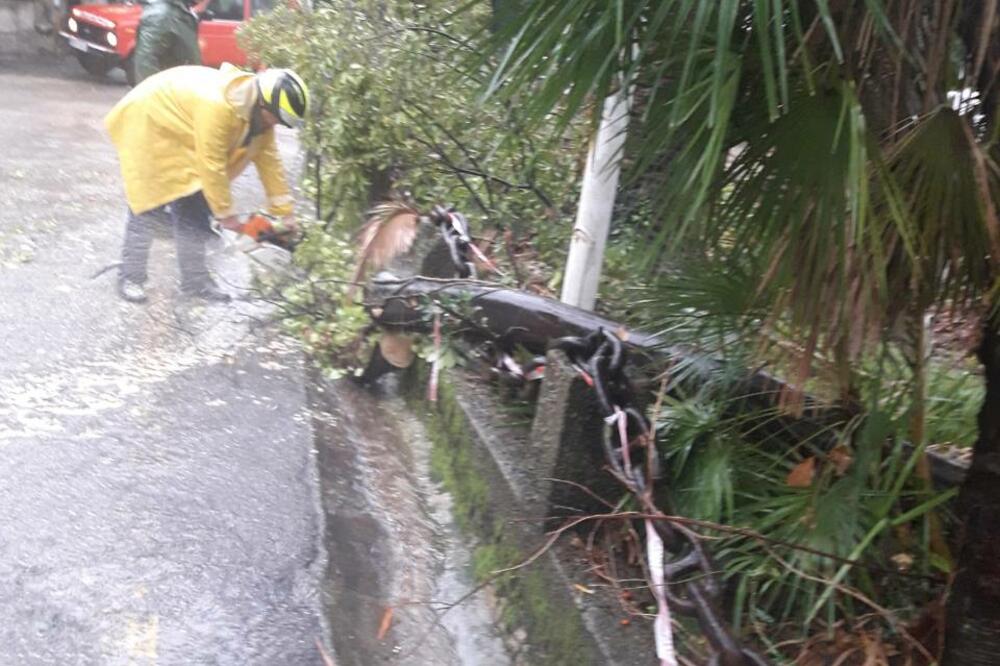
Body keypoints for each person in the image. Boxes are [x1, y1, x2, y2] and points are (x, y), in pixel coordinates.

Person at [105, 65, 308, 302]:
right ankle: (131, 276)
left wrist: (285, 215)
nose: (276, 125)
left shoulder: (260, 119)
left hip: (184, 127)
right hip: (149, 120)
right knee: (149, 201)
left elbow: (270, 164)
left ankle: (195, 282)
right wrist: (226, 214)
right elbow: (211, 166)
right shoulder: (219, 107)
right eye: (276, 119)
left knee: (195, 204)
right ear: (263, 105)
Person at [132, 0, 202, 84]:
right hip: (165, 91)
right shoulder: (165, 15)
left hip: (175, 88)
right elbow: (146, 62)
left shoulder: (177, 12)